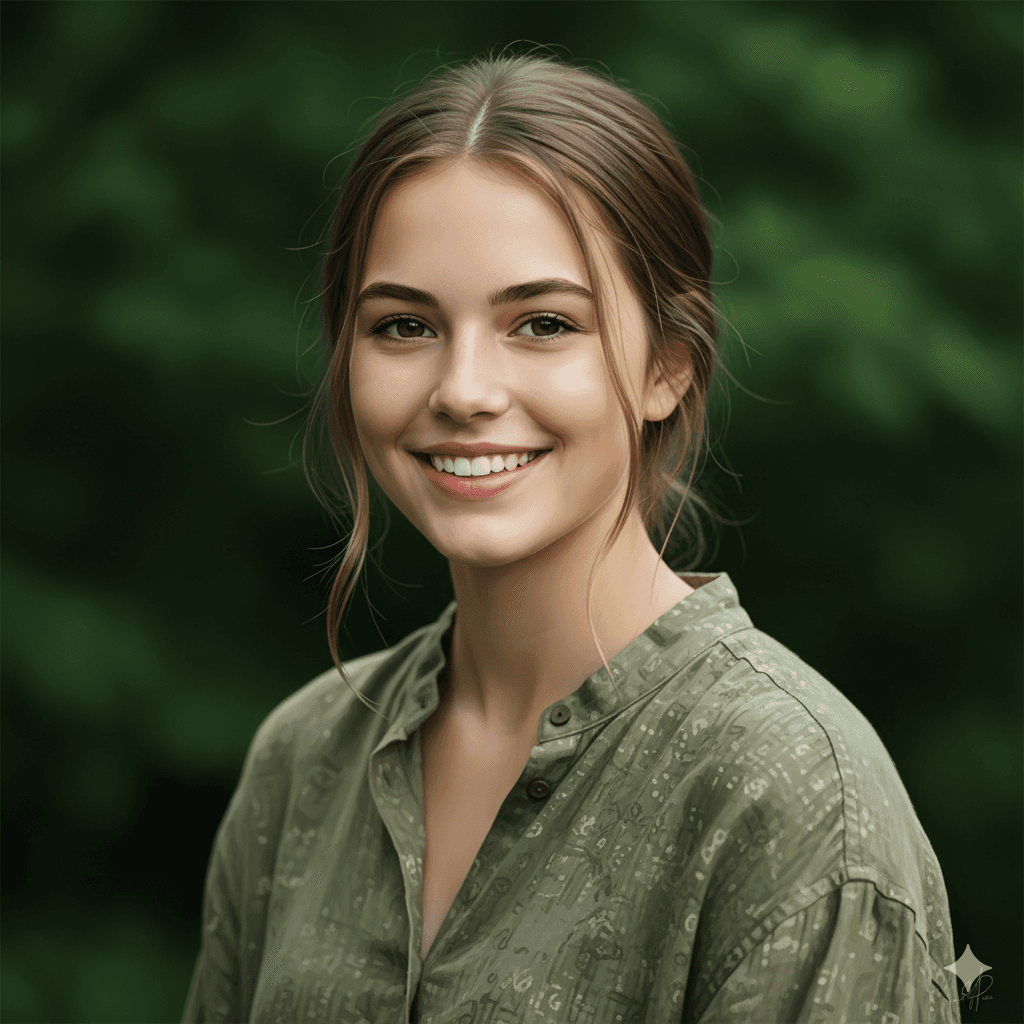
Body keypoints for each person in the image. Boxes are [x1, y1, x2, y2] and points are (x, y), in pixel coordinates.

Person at [182, 48, 960, 1023]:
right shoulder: (302, 762)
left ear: (667, 365)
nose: (464, 390)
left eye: (543, 324)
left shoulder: (791, 794)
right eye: (405, 327)